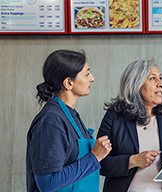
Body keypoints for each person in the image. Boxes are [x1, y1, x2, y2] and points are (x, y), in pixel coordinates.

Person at [97, 59, 162, 192]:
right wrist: (132, 161)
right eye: (153, 78)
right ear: (136, 84)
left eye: (160, 78)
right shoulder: (113, 118)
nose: (161, 84)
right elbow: (100, 163)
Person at [26, 49, 112, 192]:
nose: (92, 78)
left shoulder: (70, 115)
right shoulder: (50, 121)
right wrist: (94, 157)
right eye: (87, 74)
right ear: (68, 83)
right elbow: (47, 184)